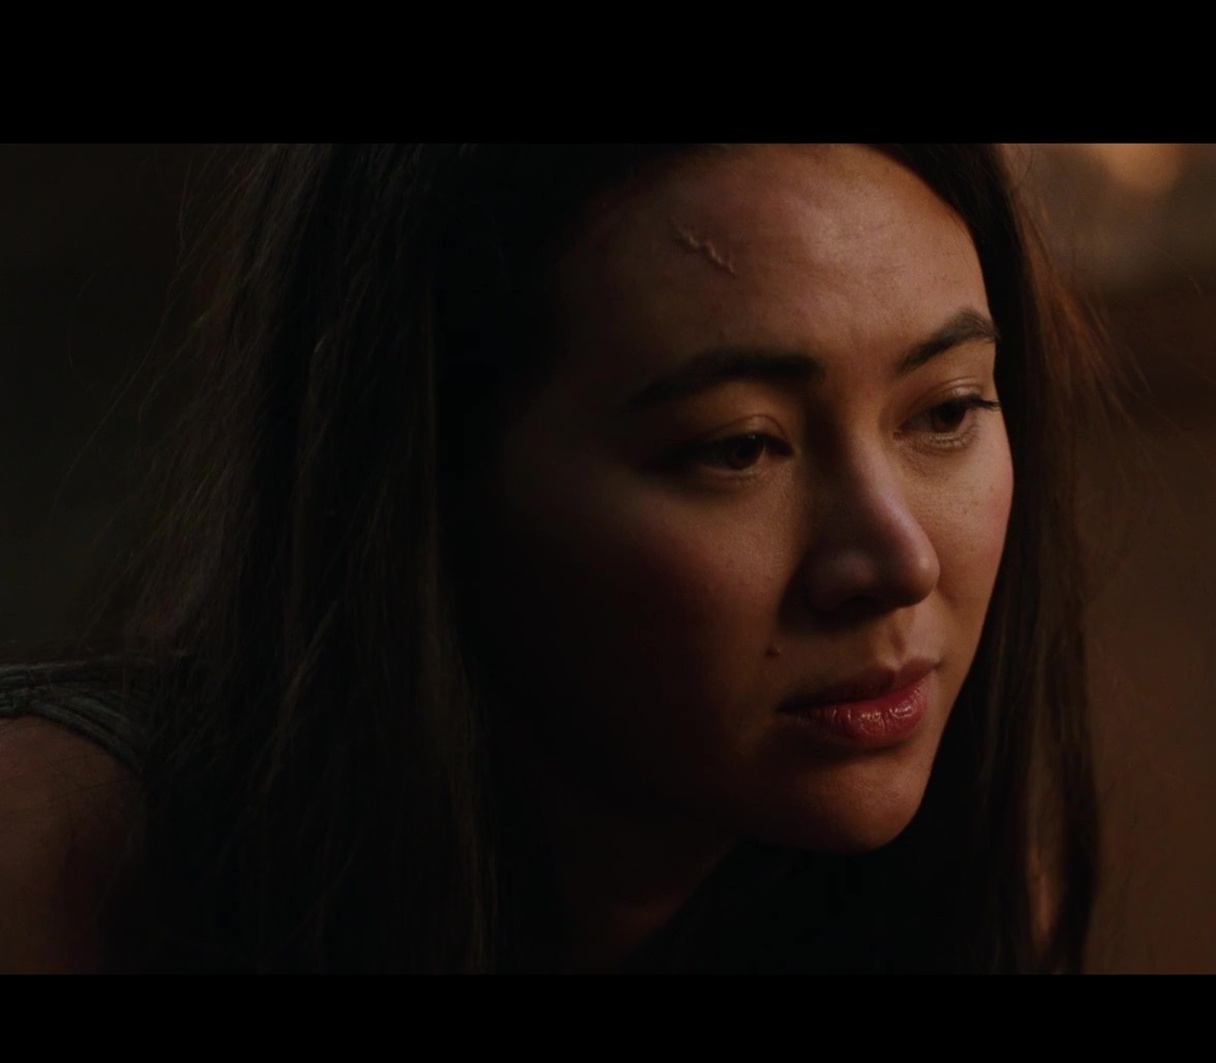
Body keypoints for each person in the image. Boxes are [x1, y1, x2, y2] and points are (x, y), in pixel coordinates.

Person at [0, 144, 1115, 972]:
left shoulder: (932, 892)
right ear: (434, 479)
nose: (898, 560)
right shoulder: (60, 866)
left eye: (947, 411)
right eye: (738, 447)